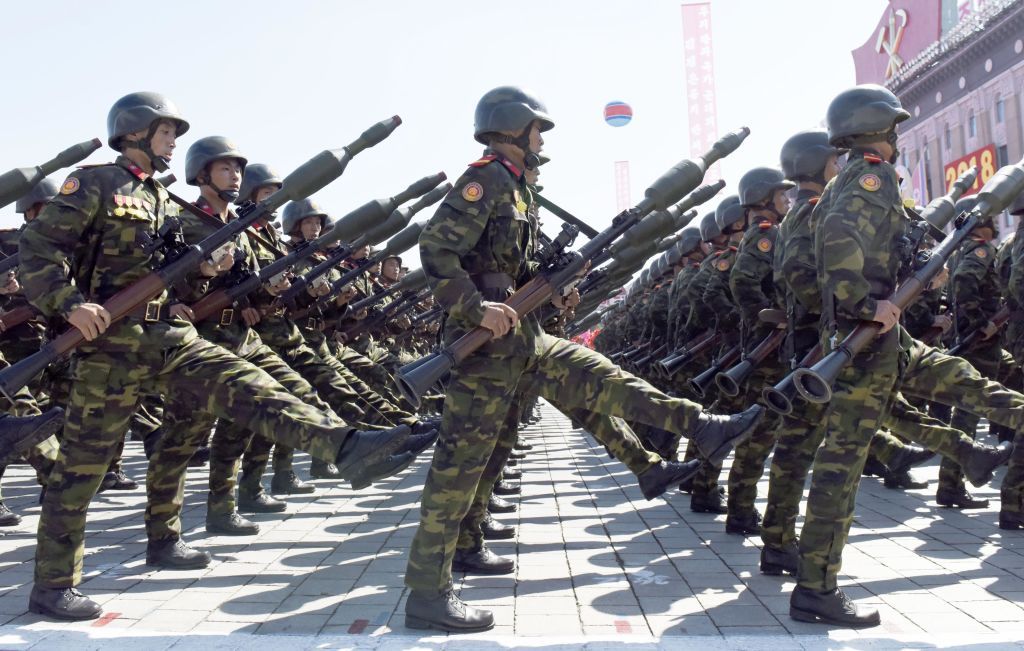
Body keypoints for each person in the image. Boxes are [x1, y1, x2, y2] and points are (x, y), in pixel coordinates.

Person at [17, 91, 435, 621]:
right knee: (83, 468)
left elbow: (175, 273)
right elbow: (39, 248)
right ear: (137, 132)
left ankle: (348, 448)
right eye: (167, 132)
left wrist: (207, 273)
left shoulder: (162, 201)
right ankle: (52, 585)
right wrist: (70, 304)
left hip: (168, 337)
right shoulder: (95, 183)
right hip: (108, 350)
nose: (174, 141)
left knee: (251, 386)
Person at [403, 85, 762, 633]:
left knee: (603, 378)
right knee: (457, 469)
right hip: (485, 351)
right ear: (514, 128)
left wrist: (552, 290)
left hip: (521, 340)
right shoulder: (487, 179)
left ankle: (703, 425)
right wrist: (477, 308)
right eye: (537, 128)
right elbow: (436, 250)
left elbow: (507, 268)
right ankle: (427, 594)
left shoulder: (519, 189)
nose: (542, 138)